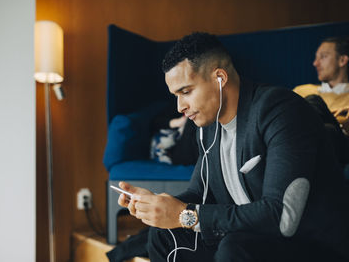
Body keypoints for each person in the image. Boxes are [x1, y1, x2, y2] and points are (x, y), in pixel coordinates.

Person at [116, 32, 349, 262]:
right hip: (254, 240)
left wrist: (183, 215)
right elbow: (200, 193)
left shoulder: (280, 110)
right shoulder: (208, 126)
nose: (180, 107)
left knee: (235, 246)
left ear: (220, 78)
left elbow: (282, 217)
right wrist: (157, 206)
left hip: (310, 244)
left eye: (186, 92)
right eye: (176, 95)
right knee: (161, 234)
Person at [294, 37, 349, 166]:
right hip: (310, 141)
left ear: (342, 60)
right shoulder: (302, 90)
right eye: (316, 57)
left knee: (314, 101)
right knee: (327, 129)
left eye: (323, 57)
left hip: (342, 146)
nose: (315, 63)